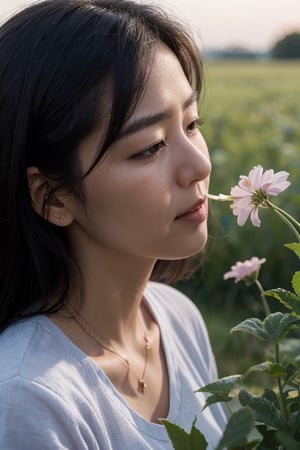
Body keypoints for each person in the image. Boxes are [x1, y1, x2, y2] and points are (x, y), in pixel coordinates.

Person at [0, 0, 227, 448]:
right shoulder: (29, 398)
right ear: (52, 196)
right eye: (151, 147)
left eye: (192, 122)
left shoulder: (177, 320)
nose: (199, 164)